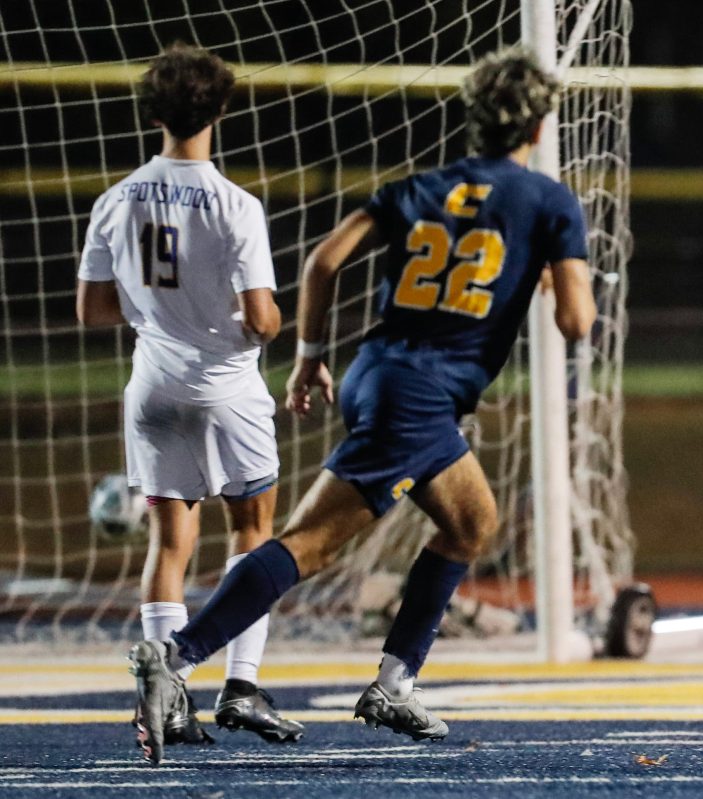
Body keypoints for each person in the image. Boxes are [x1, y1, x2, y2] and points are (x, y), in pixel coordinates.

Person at [127, 45, 597, 764]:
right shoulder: (550, 201)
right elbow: (575, 321)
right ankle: (177, 656)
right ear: (537, 129)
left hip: (379, 372)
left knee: (472, 521)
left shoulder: (420, 186)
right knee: (310, 544)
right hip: (420, 397)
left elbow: (324, 260)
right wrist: (564, 276)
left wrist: (311, 353)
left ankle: (395, 682)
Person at [78, 43, 305, 756]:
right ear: (221, 110)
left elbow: (92, 309)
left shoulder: (116, 199)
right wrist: (259, 320)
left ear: (153, 113)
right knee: (253, 533)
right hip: (228, 390)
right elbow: (262, 319)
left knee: (169, 542)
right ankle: (241, 684)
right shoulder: (237, 205)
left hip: (153, 390)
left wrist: (157, 314)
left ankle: (167, 698)